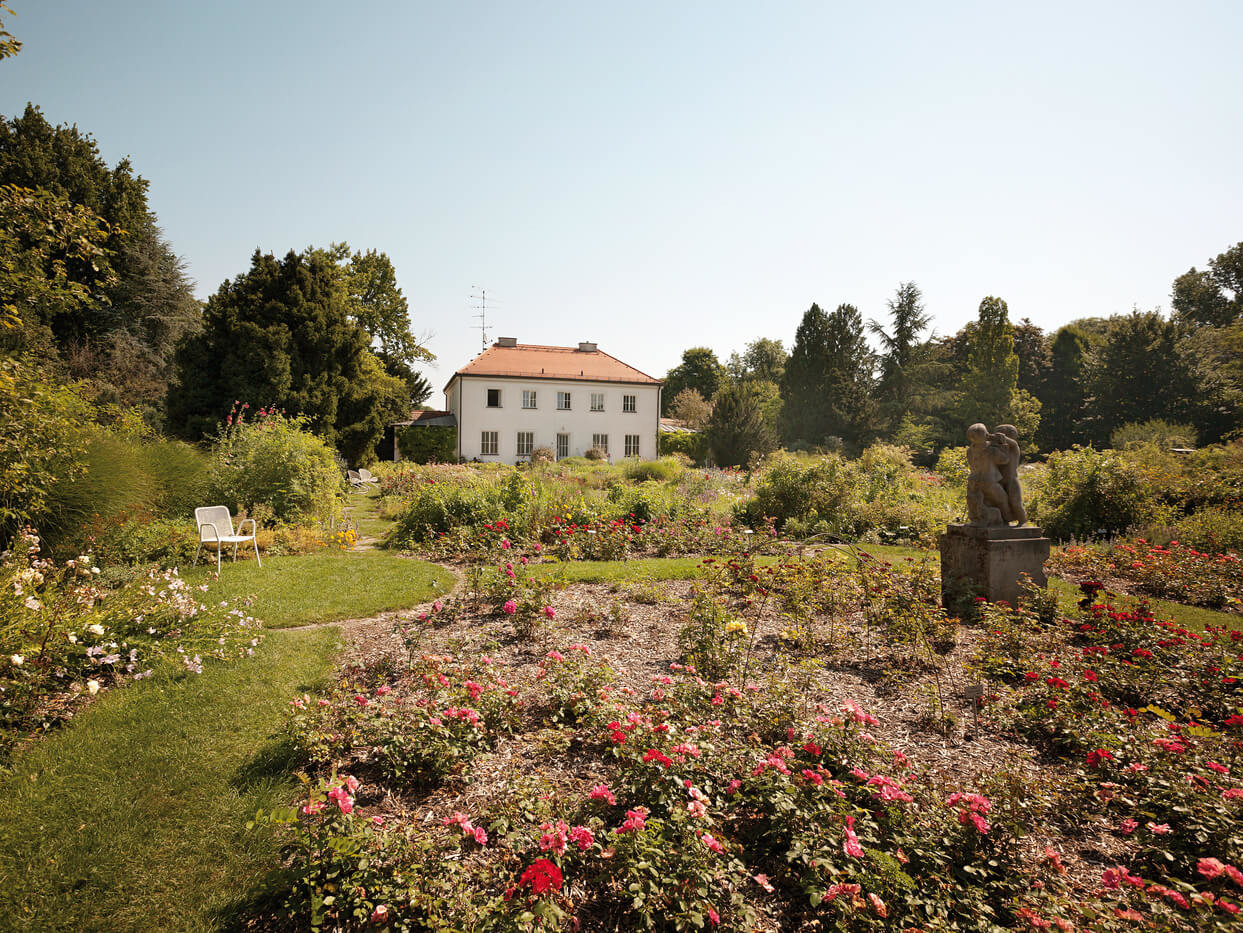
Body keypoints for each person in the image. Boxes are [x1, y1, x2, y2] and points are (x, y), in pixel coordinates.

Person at [965, 422, 1012, 525]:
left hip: (973, 481)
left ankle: (978, 518)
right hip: (989, 482)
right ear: (986, 435)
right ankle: (1006, 519)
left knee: (977, 501)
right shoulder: (991, 450)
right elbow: (1005, 460)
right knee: (1003, 499)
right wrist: (1003, 445)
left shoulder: (970, 451)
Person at [993, 424, 1026, 525]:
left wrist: (1003, 437)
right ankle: (1005, 521)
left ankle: (1022, 521)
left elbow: (1011, 442)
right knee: (1002, 503)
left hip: (1011, 480)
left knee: (1015, 503)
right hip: (1000, 480)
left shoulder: (1014, 446)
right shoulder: (999, 448)